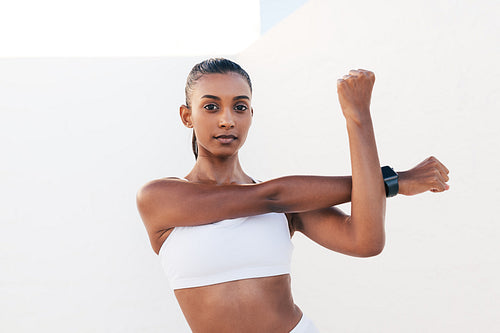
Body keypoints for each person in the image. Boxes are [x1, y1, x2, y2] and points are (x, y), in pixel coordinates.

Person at [136, 58, 450, 333]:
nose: (227, 120)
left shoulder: (291, 205)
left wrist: (358, 117)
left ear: (251, 114)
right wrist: (392, 181)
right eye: (211, 106)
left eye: (240, 107)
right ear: (187, 115)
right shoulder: (159, 197)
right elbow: (272, 197)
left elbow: (365, 241)